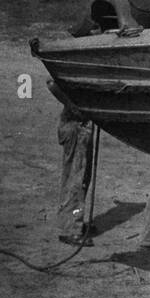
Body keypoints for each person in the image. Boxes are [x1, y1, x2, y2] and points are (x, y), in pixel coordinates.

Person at [48, 78, 95, 244]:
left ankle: (75, 221)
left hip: (81, 126)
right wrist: (73, 106)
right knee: (76, 179)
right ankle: (71, 228)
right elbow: (52, 83)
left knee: (81, 177)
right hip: (75, 126)